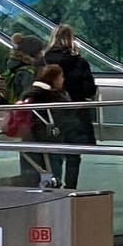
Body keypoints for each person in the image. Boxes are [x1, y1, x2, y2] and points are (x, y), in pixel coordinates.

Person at [40, 25, 97, 189]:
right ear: (71, 39)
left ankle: (52, 187)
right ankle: (70, 190)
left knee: (52, 155)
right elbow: (89, 90)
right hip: (75, 114)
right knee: (73, 156)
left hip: (48, 115)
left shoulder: (43, 61)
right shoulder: (80, 63)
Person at [10, 63, 66, 186]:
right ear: (54, 78)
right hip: (49, 139)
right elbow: (66, 114)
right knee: (53, 177)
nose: (63, 80)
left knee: (30, 176)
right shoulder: (54, 96)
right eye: (61, 77)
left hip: (28, 138)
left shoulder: (28, 93)